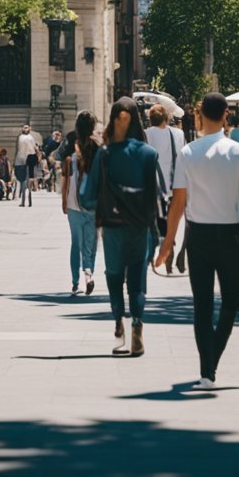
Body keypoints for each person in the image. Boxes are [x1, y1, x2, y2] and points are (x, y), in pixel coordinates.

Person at [156, 92, 239, 390]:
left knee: (201, 305)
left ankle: (206, 370)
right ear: (226, 114)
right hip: (230, 234)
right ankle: (211, 364)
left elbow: (178, 203)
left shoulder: (188, 153)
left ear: (200, 115)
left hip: (198, 235)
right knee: (231, 302)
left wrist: (168, 243)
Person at [81, 96, 159, 357]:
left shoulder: (104, 155)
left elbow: (86, 197)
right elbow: (155, 197)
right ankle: (137, 324)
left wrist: (102, 204)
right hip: (140, 227)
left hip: (113, 226)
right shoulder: (149, 154)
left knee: (115, 276)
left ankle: (119, 324)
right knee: (136, 282)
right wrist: (157, 234)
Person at [62, 110, 100, 295]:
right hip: (93, 203)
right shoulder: (97, 147)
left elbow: (66, 177)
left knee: (75, 243)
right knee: (90, 243)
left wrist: (63, 201)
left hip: (73, 201)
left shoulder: (71, 144)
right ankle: (89, 274)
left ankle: (75, 282)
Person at [145, 103, 185, 274]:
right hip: (175, 184)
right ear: (167, 117)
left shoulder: (146, 134)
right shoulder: (178, 133)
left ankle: (163, 246)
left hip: (154, 186)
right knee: (172, 219)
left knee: (156, 222)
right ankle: (169, 246)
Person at [14, 124, 38, 207]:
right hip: (24, 160)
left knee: (26, 182)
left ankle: (26, 201)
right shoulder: (24, 137)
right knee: (25, 182)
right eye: (24, 127)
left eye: (27, 127)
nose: (25, 129)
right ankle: (26, 201)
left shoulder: (27, 138)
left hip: (25, 161)